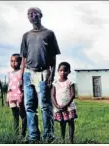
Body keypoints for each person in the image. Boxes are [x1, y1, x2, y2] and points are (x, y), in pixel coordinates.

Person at [19, 7, 61, 143]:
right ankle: (33, 137)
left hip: (44, 72)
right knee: (29, 107)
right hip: (28, 73)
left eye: (35, 13)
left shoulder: (49, 33)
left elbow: (54, 57)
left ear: (40, 15)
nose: (32, 16)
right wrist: (21, 76)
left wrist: (52, 75)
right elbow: (24, 58)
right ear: (28, 18)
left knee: (45, 106)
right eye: (29, 14)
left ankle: (49, 136)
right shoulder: (26, 36)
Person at [51, 62, 77, 144]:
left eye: (65, 70)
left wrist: (66, 105)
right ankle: (63, 140)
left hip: (69, 107)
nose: (63, 72)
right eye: (61, 70)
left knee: (70, 123)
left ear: (69, 72)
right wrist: (56, 105)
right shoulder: (55, 83)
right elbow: (52, 95)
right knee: (62, 123)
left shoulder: (70, 82)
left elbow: (73, 95)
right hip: (59, 107)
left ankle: (71, 140)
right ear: (58, 71)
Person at [6, 53, 27, 140]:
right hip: (11, 97)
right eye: (12, 61)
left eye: (15, 61)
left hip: (20, 97)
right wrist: (7, 98)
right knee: (15, 116)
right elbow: (9, 86)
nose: (13, 63)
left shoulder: (22, 72)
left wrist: (22, 96)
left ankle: (23, 134)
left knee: (23, 116)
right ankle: (16, 134)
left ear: (20, 62)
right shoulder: (9, 73)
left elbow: (24, 86)